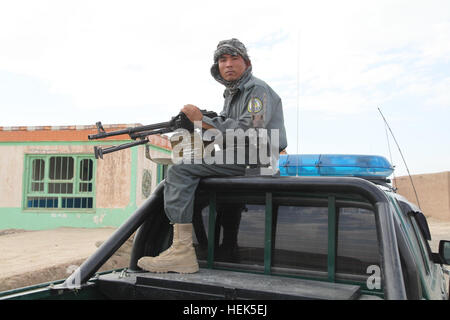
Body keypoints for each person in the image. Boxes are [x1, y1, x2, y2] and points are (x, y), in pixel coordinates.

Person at [137, 38, 287, 273]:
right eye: (222, 60)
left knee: (180, 169)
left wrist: (203, 120)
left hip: (257, 158)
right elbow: (228, 132)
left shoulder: (257, 90)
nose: (228, 64)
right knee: (188, 160)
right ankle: (224, 247)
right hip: (242, 156)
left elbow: (250, 130)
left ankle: (182, 251)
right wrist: (197, 127)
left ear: (246, 63)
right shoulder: (233, 94)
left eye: (234, 58)